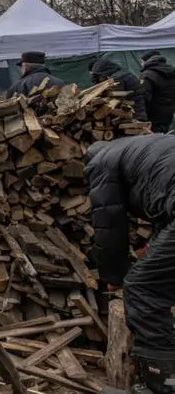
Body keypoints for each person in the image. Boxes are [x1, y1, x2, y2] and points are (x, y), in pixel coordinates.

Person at [86, 135, 175, 393]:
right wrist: (154, 248)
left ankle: (163, 385)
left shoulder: (101, 164)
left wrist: (114, 277)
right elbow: (164, 206)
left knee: (142, 287)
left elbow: (109, 226)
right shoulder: (144, 149)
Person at [90, 57, 148, 122]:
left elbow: (116, 98)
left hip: (132, 113)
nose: (100, 80)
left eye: (99, 77)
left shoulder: (117, 78)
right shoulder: (123, 73)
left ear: (102, 73)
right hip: (138, 108)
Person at [140, 51, 175, 133]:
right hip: (167, 114)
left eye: (142, 62)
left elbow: (144, 97)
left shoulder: (147, 75)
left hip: (152, 116)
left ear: (147, 61)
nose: (141, 64)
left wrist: (140, 116)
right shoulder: (171, 73)